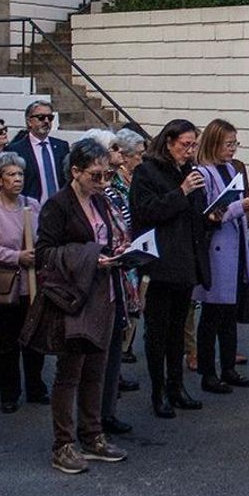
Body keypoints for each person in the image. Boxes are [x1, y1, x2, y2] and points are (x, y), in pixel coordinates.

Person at [23, 138, 129, 474]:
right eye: (95, 176)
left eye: (106, 176)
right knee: (70, 373)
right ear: (75, 172)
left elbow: (113, 236)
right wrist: (87, 257)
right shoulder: (59, 205)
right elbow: (44, 254)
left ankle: (92, 434)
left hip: (105, 293)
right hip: (74, 298)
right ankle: (63, 443)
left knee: (96, 370)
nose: (102, 183)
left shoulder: (102, 201)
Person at [129, 119, 211, 419]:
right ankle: (158, 391)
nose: (189, 151)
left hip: (186, 260)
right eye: (184, 145)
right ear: (168, 142)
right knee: (158, 331)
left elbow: (195, 213)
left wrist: (209, 212)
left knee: (178, 329)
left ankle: (177, 387)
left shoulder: (189, 171)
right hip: (160, 262)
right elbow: (147, 211)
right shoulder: (146, 171)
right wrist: (181, 191)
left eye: (193, 145)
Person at [0, 152, 49, 413]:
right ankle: (9, 392)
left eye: (20, 174)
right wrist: (17, 256)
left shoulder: (33, 205)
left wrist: (38, 253)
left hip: (32, 285)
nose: (17, 179)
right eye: (11, 175)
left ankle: (36, 387)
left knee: (33, 338)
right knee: (4, 343)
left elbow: (43, 239)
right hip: (2, 286)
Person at [192, 120, 249, 395]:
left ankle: (229, 366)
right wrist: (237, 207)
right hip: (216, 247)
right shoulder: (203, 173)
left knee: (230, 312)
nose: (233, 149)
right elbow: (209, 213)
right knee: (212, 314)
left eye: (235, 143)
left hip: (235, 243)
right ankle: (208, 372)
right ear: (214, 144)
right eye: (228, 144)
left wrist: (245, 207)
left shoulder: (232, 168)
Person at [81, 128, 138, 435]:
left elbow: (122, 227)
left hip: (115, 281)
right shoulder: (71, 202)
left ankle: (107, 412)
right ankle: (89, 423)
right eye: (98, 174)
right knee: (89, 360)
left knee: (113, 350)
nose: (104, 179)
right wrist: (95, 256)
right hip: (87, 289)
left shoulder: (110, 195)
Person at [109, 128, 147, 374]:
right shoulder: (113, 183)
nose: (141, 160)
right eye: (138, 155)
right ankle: (121, 350)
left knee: (137, 298)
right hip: (122, 244)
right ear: (124, 155)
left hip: (139, 241)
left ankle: (127, 344)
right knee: (127, 297)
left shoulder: (138, 178)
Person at [5, 100, 72, 202]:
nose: (46, 121)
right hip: (31, 207)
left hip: (60, 208)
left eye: (50, 118)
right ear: (29, 121)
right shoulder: (16, 150)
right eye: (41, 117)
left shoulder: (61, 146)